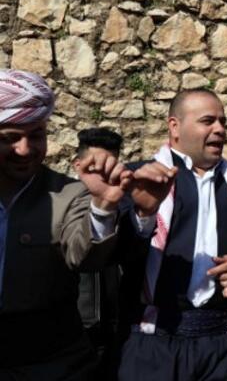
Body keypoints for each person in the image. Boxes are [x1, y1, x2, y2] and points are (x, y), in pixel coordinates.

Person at [114, 88, 227, 381]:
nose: (220, 129)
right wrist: (144, 215)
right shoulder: (141, 179)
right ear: (174, 127)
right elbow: (115, 253)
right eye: (208, 121)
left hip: (225, 345)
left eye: (223, 122)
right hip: (154, 341)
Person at [0, 70, 124, 380]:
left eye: (36, 135)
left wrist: (104, 204)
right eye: (11, 138)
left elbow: (84, 254)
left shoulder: (70, 194)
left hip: (51, 364)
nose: (25, 149)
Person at [74, 128, 125, 378]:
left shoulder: (128, 209)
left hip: (117, 336)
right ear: (78, 165)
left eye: (109, 169)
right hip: (74, 337)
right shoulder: (60, 211)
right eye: (95, 168)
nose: (103, 177)